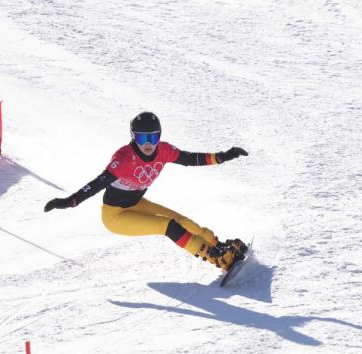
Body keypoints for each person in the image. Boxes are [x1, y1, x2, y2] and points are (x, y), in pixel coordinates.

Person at [44, 112, 249, 270]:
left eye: (153, 138)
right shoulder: (124, 158)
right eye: (142, 139)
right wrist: (69, 201)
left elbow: (189, 158)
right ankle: (215, 258)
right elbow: (98, 183)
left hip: (136, 204)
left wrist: (222, 156)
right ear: (133, 138)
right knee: (168, 226)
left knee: (184, 222)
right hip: (115, 216)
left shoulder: (164, 150)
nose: (149, 144)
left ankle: (219, 246)